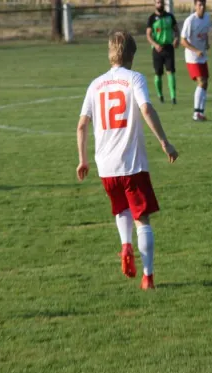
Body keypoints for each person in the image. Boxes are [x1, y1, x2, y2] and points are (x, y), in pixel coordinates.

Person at [76, 30, 179, 290]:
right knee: (142, 219)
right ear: (132, 54)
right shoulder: (135, 78)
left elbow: (81, 125)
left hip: (106, 168)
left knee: (121, 209)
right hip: (132, 164)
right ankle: (148, 277)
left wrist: (83, 160)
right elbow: (146, 108)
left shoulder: (95, 84)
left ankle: (125, 245)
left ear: (110, 53)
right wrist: (164, 141)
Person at [180, 0, 210, 121]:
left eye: (203, 4)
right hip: (192, 57)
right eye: (199, 5)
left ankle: (201, 113)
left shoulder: (207, 17)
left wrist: (207, 44)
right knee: (201, 82)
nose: (202, 7)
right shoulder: (190, 20)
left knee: (205, 83)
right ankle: (196, 113)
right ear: (195, 6)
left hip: (202, 56)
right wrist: (196, 50)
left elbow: (205, 33)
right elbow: (183, 41)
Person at [146, 0, 180, 104]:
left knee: (171, 71)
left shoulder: (170, 17)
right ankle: (160, 95)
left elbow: (176, 30)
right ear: (155, 4)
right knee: (158, 74)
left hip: (168, 47)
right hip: (157, 50)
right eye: (158, 3)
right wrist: (155, 45)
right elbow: (148, 35)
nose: (160, 4)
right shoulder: (152, 18)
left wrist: (176, 39)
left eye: (161, 2)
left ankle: (173, 97)